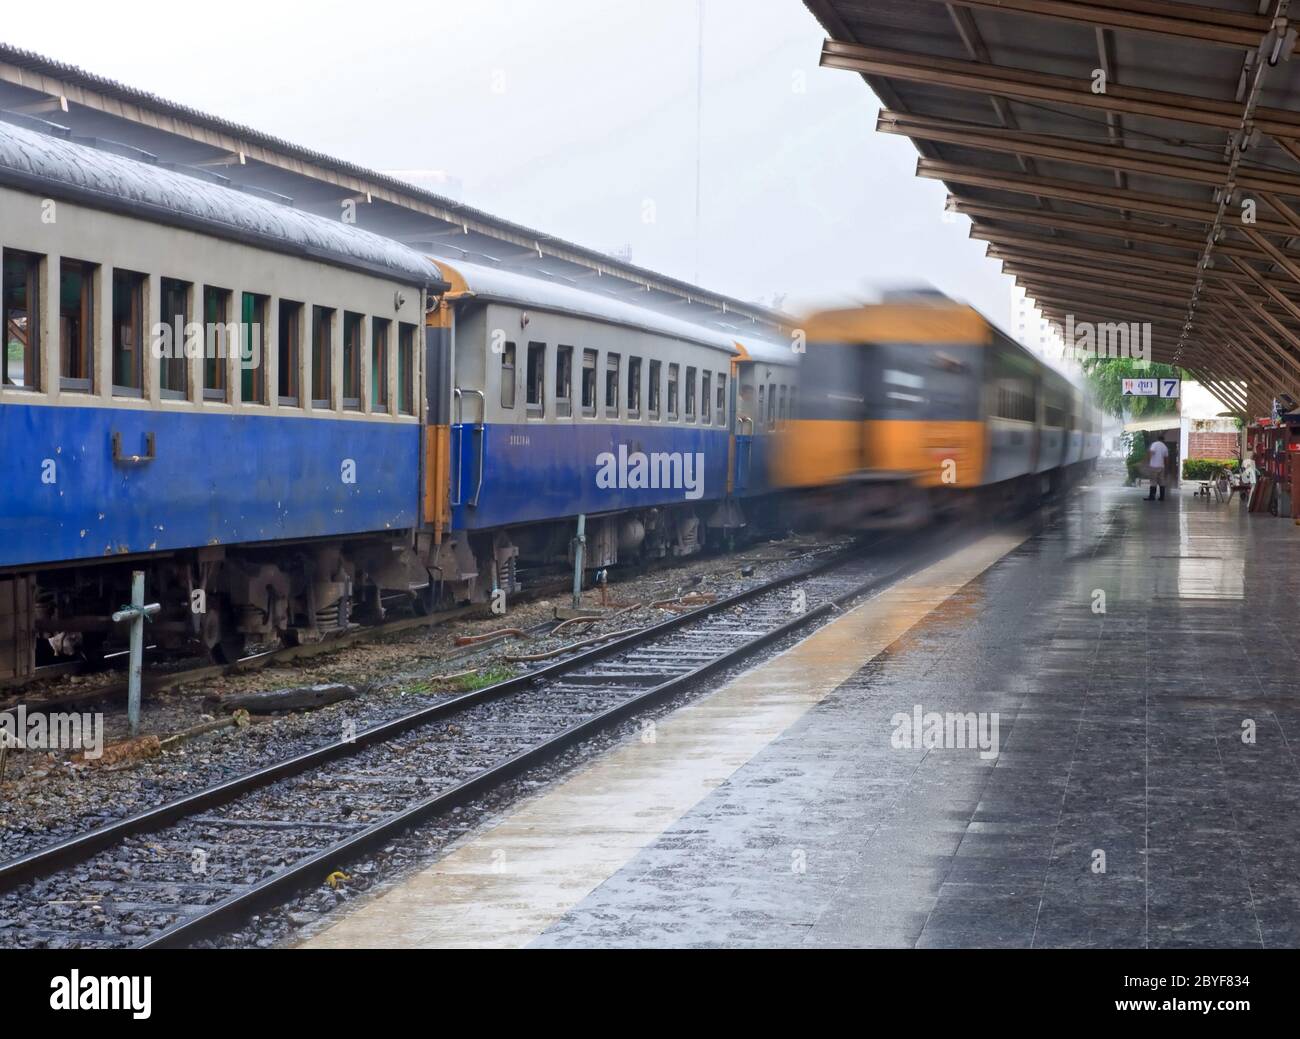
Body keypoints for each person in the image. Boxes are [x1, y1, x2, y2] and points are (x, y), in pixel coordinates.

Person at [1145, 436, 1169, 501]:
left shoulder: (1154, 444)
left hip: (1154, 466)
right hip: (1161, 466)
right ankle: (1162, 497)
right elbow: (1166, 458)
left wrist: (1148, 462)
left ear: (1157, 439)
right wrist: (1166, 467)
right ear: (1163, 440)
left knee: (1153, 481)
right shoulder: (1165, 447)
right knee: (1161, 481)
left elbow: (1151, 452)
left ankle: (1152, 496)